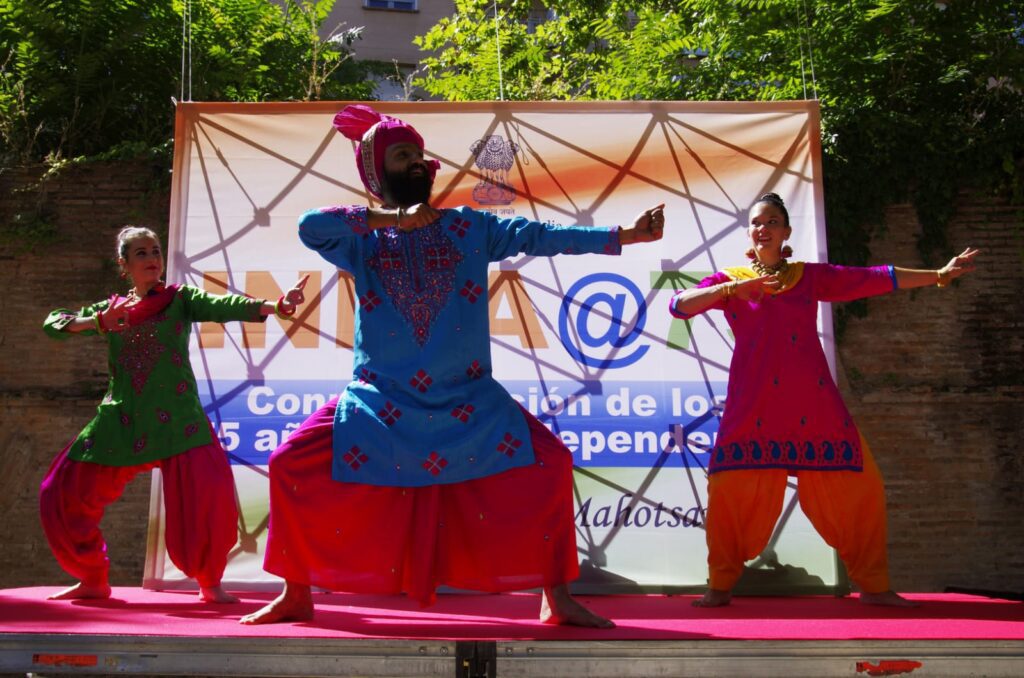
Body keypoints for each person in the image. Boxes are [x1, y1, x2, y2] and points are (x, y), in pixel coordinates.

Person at [240, 104, 665, 627]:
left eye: (420, 154)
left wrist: (623, 237)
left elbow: (541, 237)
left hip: (469, 399)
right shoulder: (360, 240)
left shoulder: (469, 228)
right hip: (379, 401)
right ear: (378, 174)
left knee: (550, 463)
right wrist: (390, 220)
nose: (418, 162)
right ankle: (296, 592)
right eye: (402, 155)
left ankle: (557, 598)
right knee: (289, 463)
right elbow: (310, 226)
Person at [670, 192, 979, 608]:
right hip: (753, 405)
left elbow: (871, 277)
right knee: (728, 490)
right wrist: (733, 289)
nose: (764, 228)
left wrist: (938, 274)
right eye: (757, 222)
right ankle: (719, 585)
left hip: (812, 402)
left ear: (786, 232)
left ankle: (874, 586)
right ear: (750, 231)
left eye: (773, 221)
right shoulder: (732, 279)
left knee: (862, 487)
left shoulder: (806, 276)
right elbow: (678, 306)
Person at [41, 225, 307, 603]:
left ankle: (209, 582)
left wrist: (275, 306)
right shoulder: (110, 309)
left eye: (155, 251)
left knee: (207, 500)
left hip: (179, 420)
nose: (152, 259)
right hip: (123, 419)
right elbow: (54, 324)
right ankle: (92, 578)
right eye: (142, 254)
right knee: (59, 492)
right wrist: (96, 323)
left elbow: (225, 305)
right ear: (124, 266)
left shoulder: (178, 299)